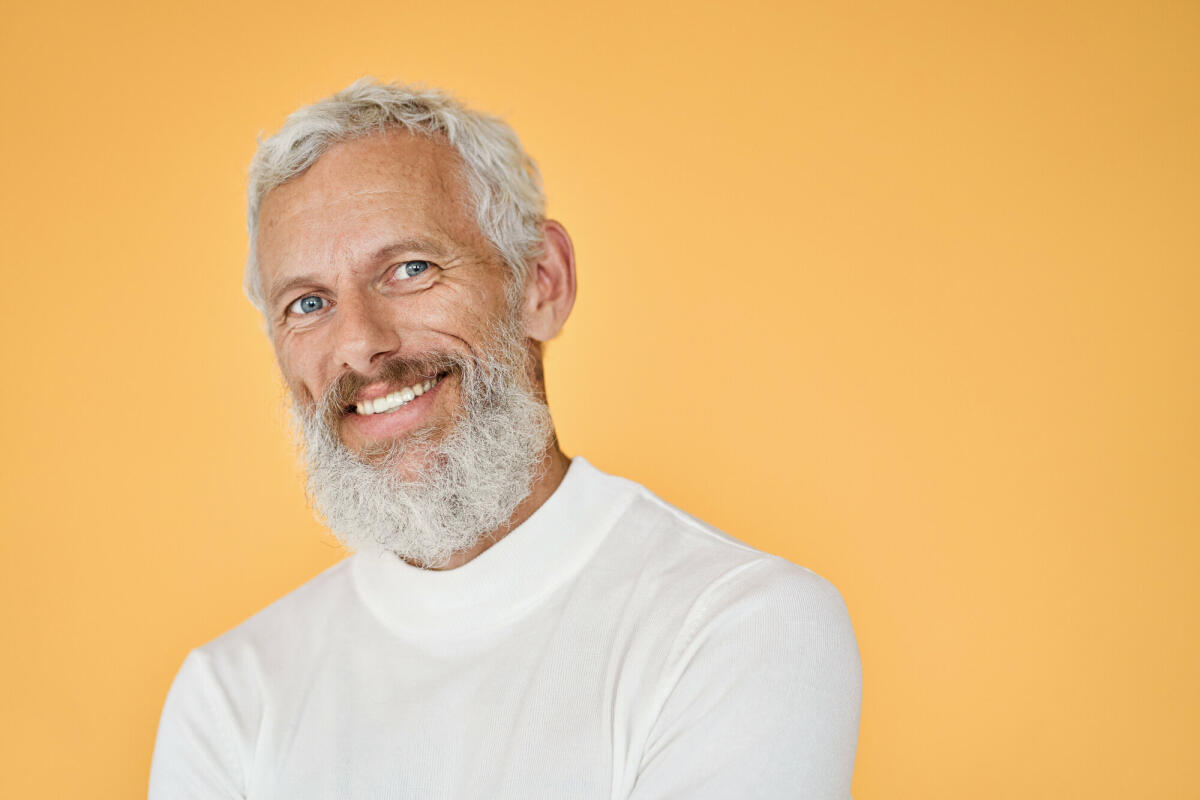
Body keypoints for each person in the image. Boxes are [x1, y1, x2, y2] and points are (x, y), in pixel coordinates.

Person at [149, 79, 862, 799]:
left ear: (541, 282)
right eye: (309, 304)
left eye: (410, 269)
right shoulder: (231, 698)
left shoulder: (737, 624)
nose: (361, 345)